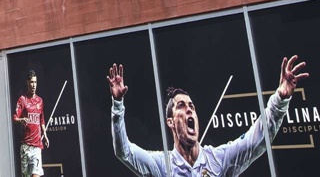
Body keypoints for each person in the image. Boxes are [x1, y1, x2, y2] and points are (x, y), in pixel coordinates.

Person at [107, 56, 309, 177]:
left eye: (192, 107)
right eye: (181, 106)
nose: (189, 110)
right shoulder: (161, 165)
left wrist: (280, 99)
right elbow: (124, 152)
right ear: (170, 122)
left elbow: (256, 140)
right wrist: (117, 104)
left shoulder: (219, 159)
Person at [14, 70, 50, 177]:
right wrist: (21, 120)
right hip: (26, 147)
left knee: (36, 175)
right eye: (32, 82)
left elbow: (41, 120)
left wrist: (45, 135)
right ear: (27, 83)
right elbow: (15, 118)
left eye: (35, 82)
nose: (34, 85)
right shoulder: (22, 100)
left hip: (37, 146)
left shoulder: (40, 101)